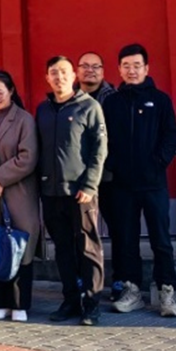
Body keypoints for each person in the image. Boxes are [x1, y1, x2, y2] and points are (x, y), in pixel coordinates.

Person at [104, 43, 176, 318]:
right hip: (122, 185)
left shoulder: (160, 100)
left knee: (161, 239)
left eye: (137, 65)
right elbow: (104, 138)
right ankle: (132, 290)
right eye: (126, 66)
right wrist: (114, 165)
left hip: (153, 183)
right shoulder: (112, 102)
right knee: (127, 240)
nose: (132, 70)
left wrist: (157, 162)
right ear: (119, 69)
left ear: (146, 68)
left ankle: (166, 291)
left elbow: (170, 135)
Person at [36, 55, 107, 325]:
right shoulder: (43, 109)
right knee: (63, 249)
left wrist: (90, 184)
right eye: (54, 72)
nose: (59, 77)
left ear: (74, 75)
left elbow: (100, 149)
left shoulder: (89, 106)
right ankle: (70, 300)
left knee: (88, 248)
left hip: (81, 192)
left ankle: (91, 303)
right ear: (47, 77)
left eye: (64, 72)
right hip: (51, 191)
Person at [0, 71, 39, 322]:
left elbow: (28, 157)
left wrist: (1, 179)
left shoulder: (24, 119)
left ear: (11, 91)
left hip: (19, 193)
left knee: (20, 247)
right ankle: (1, 302)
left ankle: (20, 304)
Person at [77, 50, 118, 297]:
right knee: (82, 233)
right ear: (77, 70)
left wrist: (108, 166)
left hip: (110, 176)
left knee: (118, 229)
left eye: (95, 66)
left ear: (103, 71)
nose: (90, 70)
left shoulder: (114, 99)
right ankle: (83, 282)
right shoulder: (69, 98)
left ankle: (120, 282)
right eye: (85, 66)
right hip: (79, 179)